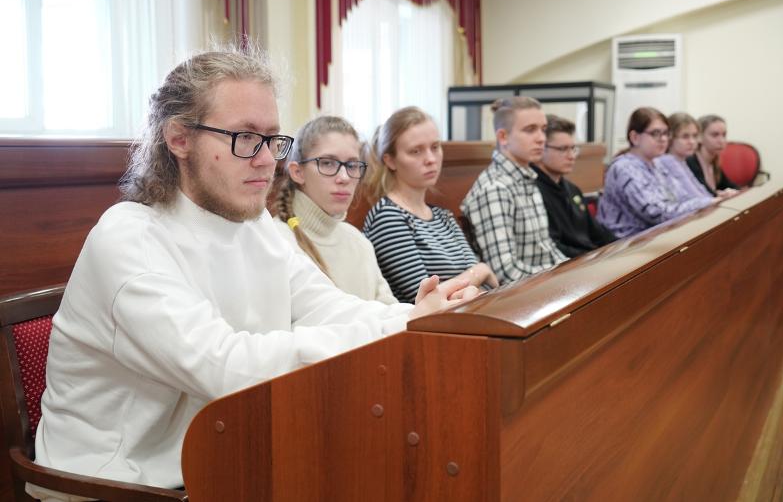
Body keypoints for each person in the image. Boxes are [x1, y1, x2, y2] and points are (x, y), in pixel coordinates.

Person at [29, 47, 475, 501]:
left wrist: (420, 316)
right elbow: (226, 367)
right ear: (179, 138)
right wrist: (402, 327)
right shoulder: (128, 239)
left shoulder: (255, 222)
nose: (266, 160)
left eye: (272, 139)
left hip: (219, 453)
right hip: (117, 482)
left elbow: (326, 306)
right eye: (245, 138)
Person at [362, 106, 498, 303]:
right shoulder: (387, 217)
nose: (431, 159)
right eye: (415, 151)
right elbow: (426, 299)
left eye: (435, 147)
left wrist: (475, 277)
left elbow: (486, 286)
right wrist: (481, 270)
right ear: (390, 161)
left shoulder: (443, 216)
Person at [273, 115, 397, 304]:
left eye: (352, 165)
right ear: (298, 172)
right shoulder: (277, 241)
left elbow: (389, 311)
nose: (344, 177)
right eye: (327, 163)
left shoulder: (360, 243)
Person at [460, 96, 567, 284]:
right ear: (503, 137)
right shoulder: (495, 189)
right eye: (530, 130)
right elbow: (506, 273)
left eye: (543, 129)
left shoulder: (526, 178)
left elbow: (547, 248)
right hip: (522, 294)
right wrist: (560, 278)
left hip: (544, 284)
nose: (541, 138)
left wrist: (572, 270)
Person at [597, 107, 719, 238]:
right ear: (635, 137)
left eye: (666, 133)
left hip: (654, 237)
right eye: (655, 133)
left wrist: (711, 200)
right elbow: (657, 213)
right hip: (624, 243)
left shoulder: (658, 164)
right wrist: (705, 203)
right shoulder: (624, 168)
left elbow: (681, 197)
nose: (663, 139)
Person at [533, 114, 616, 258]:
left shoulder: (572, 189)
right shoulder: (534, 192)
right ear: (541, 149)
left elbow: (598, 234)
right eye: (563, 149)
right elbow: (554, 247)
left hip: (589, 259)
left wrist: (623, 247)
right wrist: (593, 257)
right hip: (569, 265)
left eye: (573, 149)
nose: (571, 156)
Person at [655, 112, 714, 200]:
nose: (692, 142)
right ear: (670, 137)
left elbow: (700, 189)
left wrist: (719, 197)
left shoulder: (682, 161)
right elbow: (695, 196)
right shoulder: (668, 161)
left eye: (695, 136)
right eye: (685, 137)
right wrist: (716, 199)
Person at [686, 114, 740, 195]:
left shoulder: (714, 162)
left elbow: (730, 186)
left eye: (724, 135)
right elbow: (704, 194)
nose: (721, 141)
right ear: (699, 137)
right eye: (715, 135)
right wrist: (721, 194)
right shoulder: (690, 162)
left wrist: (734, 192)